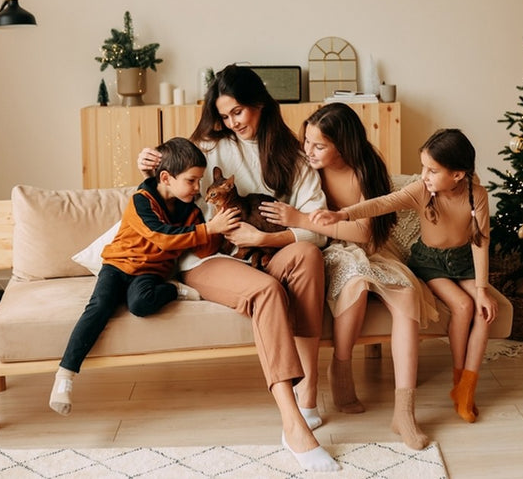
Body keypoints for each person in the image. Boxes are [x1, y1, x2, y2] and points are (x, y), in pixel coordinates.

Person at [137, 65, 338, 472]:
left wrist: (263, 239)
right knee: (267, 291)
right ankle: (292, 423)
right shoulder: (209, 146)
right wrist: (147, 161)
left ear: (260, 104)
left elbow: (316, 229)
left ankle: (310, 392)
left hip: (266, 249)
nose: (232, 123)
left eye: (239, 113)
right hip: (209, 258)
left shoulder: (293, 157)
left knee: (310, 256)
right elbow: (169, 178)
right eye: (225, 116)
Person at [259, 102, 440, 449]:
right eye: (307, 141)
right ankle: (341, 370)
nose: (309, 151)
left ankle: (405, 410)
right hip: (327, 249)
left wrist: (300, 218)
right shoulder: (304, 167)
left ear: (343, 145)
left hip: (370, 247)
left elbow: (365, 234)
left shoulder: (365, 169)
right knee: (355, 283)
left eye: (319, 145)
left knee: (406, 293)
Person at [313, 128, 498, 423]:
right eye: (423, 167)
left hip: (463, 263)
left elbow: (480, 242)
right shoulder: (421, 190)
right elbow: (382, 203)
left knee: (484, 312)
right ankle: (457, 379)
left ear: (458, 175)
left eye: (432, 170)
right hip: (431, 263)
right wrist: (343, 214)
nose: (423, 175)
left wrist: (482, 289)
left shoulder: (477, 196)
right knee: (462, 307)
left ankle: (466, 388)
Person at [50, 137, 239, 416]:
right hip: (117, 266)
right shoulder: (141, 200)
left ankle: (174, 290)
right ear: (166, 177)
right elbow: (160, 237)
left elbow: (203, 249)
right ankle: (65, 377)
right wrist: (209, 229)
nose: (197, 187)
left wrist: (216, 223)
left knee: (140, 304)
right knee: (100, 306)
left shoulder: (193, 212)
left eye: (199, 180)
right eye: (191, 180)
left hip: (152, 272)